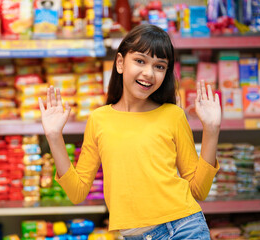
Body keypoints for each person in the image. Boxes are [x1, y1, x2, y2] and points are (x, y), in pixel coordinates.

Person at [38, 24, 221, 240]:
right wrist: (53, 136)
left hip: (184, 228)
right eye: (140, 61)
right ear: (120, 63)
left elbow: (199, 190)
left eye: (160, 66)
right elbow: (77, 193)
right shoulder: (99, 119)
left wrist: (211, 129)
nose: (149, 73)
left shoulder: (174, 115)